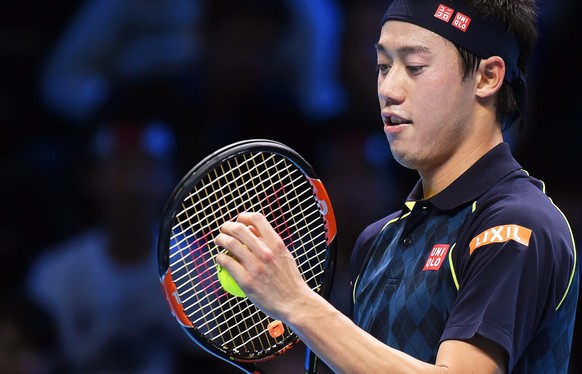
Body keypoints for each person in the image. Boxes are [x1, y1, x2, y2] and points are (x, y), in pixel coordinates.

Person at [213, 0, 579, 373]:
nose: (389, 89)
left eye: (415, 67)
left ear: (487, 77)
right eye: (383, 67)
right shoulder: (376, 242)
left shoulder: (517, 226)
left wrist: (297, 303)